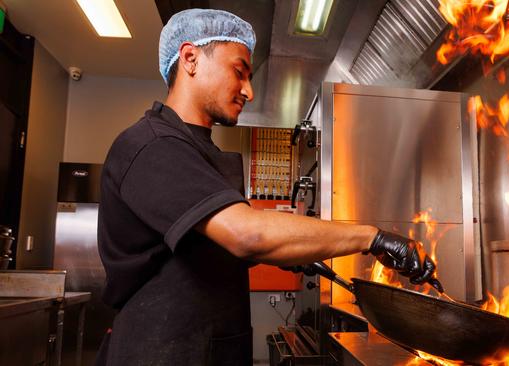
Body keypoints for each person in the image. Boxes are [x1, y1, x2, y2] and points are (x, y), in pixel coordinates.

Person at [96, 8, 438, 366]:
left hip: (207, 346)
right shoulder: (153, 145)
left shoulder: (201, 152)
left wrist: (295, 253)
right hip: (160, 352)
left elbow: (207, 249)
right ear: (190, 59)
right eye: (239, 72)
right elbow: (246, 234)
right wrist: (372, 238)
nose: (249, 90)